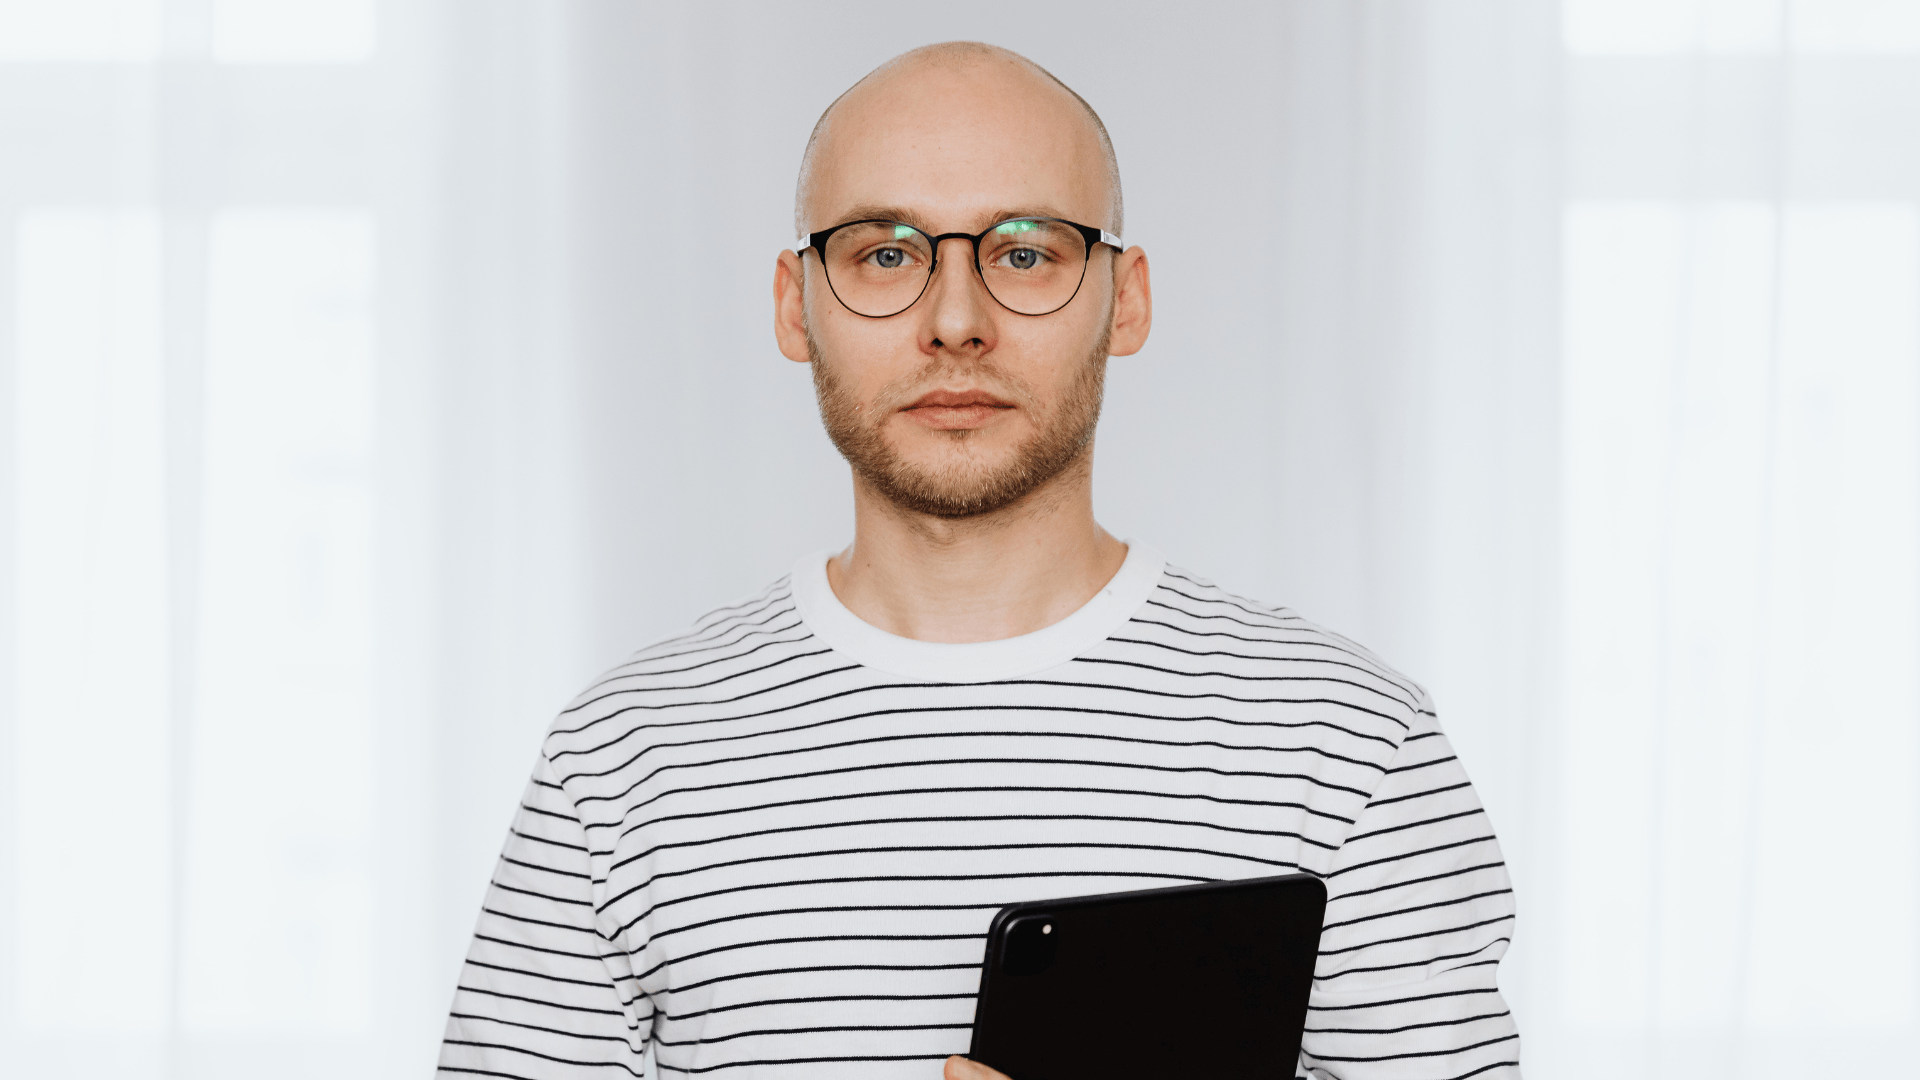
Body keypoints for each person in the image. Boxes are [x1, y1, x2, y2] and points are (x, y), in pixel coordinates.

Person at [437, 41, 1520, 1080]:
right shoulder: (622, 760)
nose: (956, 322)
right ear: (794, 305)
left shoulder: (1349, 742)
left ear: (1125, 297)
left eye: (1025, 253)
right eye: (886, 254)